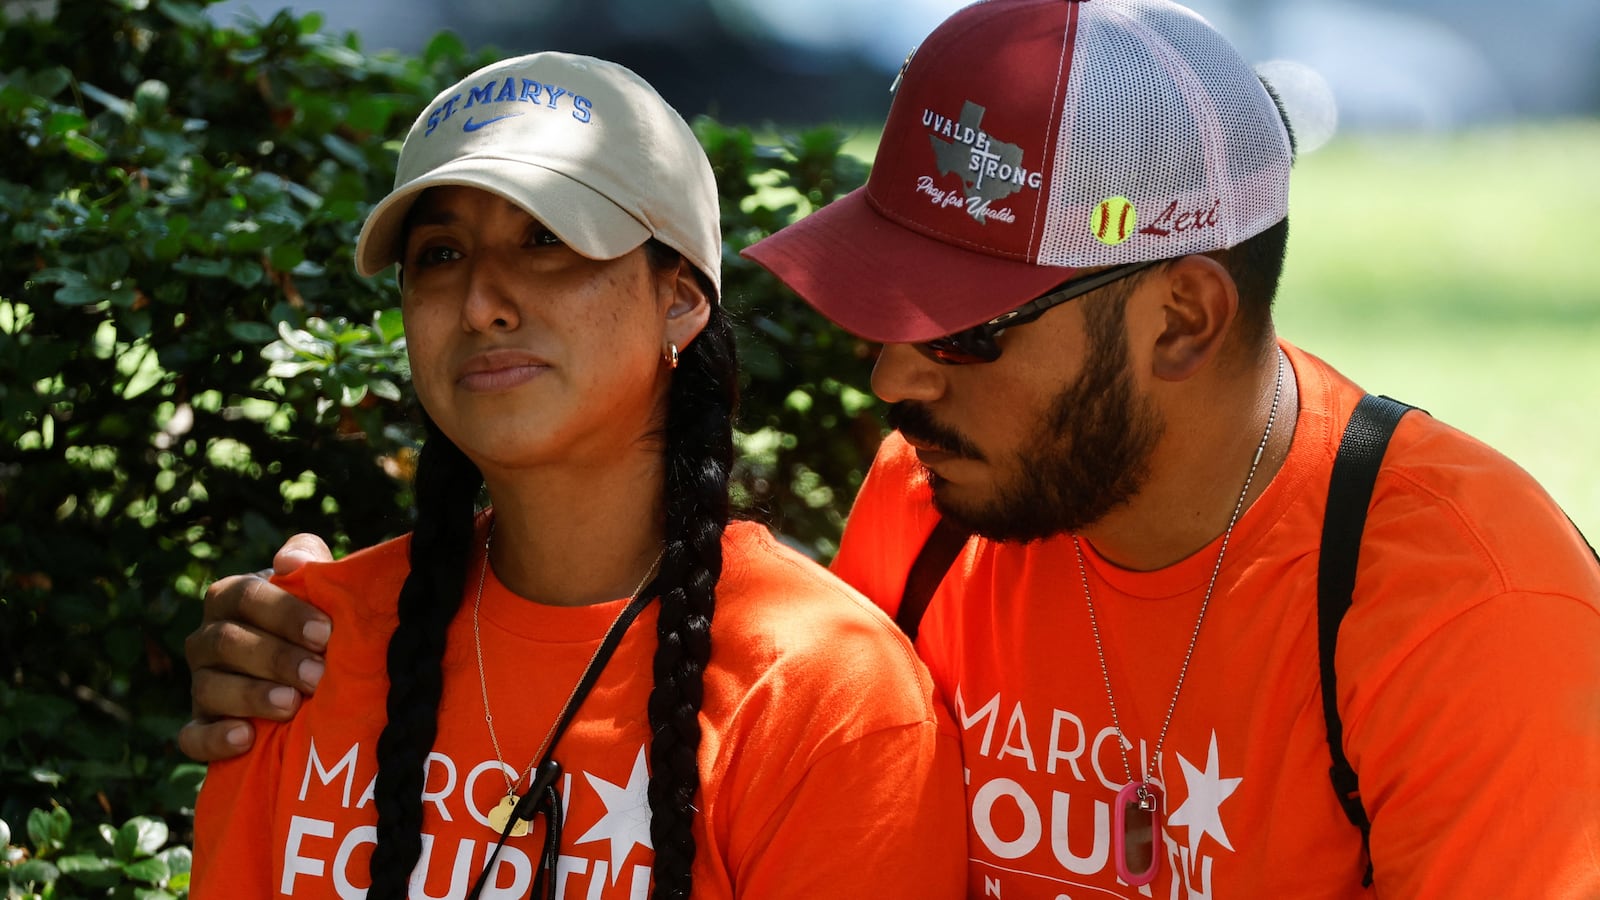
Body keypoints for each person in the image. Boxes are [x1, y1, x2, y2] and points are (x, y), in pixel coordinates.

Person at [183, 3, 1600, 898]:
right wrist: (326, 639)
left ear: (1182, 317)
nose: (893, 375)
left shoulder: (1467, 608)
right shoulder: (932, 501)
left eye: (967, 328)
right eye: (888, 308)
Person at [186, 50, 967, 900]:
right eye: (440, 253)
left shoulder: (826, 696)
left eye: (546, 239)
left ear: (679, 297)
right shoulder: (301, 654)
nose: (483, 300)